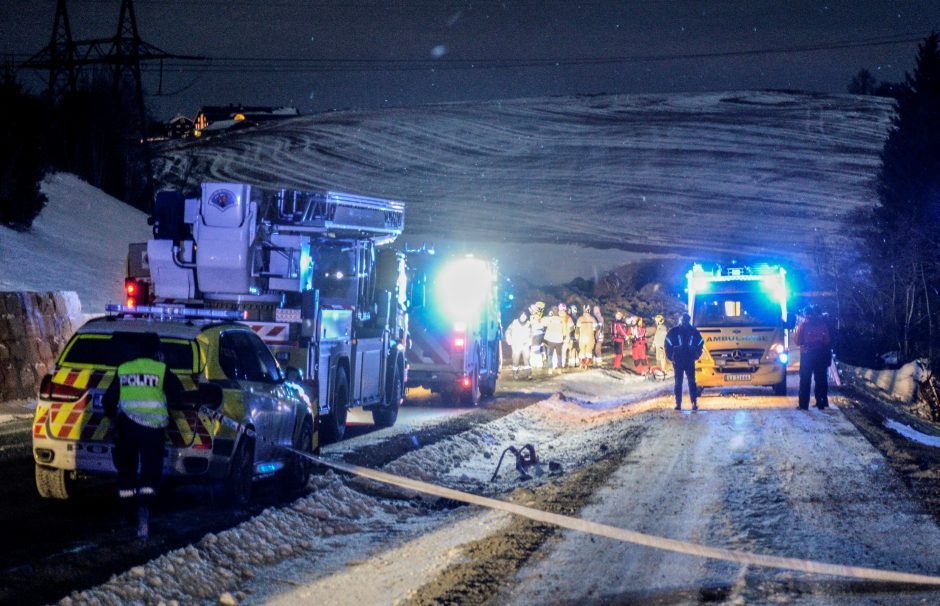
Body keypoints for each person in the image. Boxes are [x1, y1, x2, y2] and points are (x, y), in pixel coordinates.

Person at [103, 333, 186, 538]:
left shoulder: (124, 369)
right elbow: (177, 397)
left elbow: (108, 400)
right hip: (152, 430)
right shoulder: (161, 370)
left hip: (126, 427)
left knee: (126, 471)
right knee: (150, 472)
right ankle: (145, 512)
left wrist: (114, 420)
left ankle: (126, 514)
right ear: (157, 352)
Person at [794, 305, 832, 410]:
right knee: (821, 379)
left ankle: (803, 404)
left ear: (807, 314)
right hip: (820, 355)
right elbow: (827, 340)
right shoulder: (823, 325)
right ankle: (821, 402)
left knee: (805, 380)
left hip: (807, 355)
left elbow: (797, 341)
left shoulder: (804, 325)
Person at [665, 313, 704, 411]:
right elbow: (667, 343)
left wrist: (696, 354)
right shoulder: (674, 331)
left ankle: (694, 403)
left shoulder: (694, 332)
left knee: (691, 382)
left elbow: (700, 343)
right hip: (678, 361)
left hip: (689, 360)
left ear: (688, 320)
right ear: (680, 320)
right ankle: (678, 404)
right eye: (683, 320)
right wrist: (671, 356)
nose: (684, 322)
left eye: (686, 320)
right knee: (678, 382)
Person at [505, 312, 532, 379]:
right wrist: (509, 339)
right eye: (522, 316)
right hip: (516, 345)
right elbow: (508, 331)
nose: (523, 317)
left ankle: (529, 374)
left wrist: (530, 341)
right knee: (515, 360)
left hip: (525, 345)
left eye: (525, 316)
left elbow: (531, 333)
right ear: (519, 316)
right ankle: (515, 374)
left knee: (527, 360)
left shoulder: (528, 323)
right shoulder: (514, 323)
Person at [543, 308, 566, 374]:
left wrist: (548, 316)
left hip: (550, 339)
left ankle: (550, 369)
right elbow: (564, 331)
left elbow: (543, 323)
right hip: (559, 339)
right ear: (558, 312)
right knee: (559, 354)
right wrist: (563, 338)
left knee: (550, 354)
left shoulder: (549, 319)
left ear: (552, 312)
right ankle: (559, 369)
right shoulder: (561, 320)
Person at [528, 302, 546, 371]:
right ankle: (538, 363)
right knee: (538, 348)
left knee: (535, 349)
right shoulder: (538, 316)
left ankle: (537, 364)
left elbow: (531, 324)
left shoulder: (535, 317)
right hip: (539, 334)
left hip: (536, 334)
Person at [558, 303, 575, 368]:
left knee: (556, 350)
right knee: (563, 350)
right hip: (566, 336)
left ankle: (556, 364)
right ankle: (562, 364)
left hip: (557, 336)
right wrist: (568, 333)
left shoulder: (556, 316)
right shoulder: (568, 317)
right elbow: (572, 327)